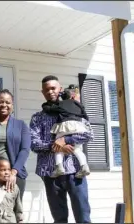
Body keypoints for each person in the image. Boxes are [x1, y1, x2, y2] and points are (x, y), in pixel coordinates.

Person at [29, 75, 94, 223]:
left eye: (53, 88)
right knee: (59, 219)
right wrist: (56, 145)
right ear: (43, 92)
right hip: (51, 172)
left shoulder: (73, 109)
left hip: (76, 171)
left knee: (83, 216)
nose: (50, 91)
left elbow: (89, 134)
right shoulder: (37, 118)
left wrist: (66, 139)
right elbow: (34, 143)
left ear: (60, 89)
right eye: (47, 89)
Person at [42, 84, 92, 178]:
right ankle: (84, 166)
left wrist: (45, 105)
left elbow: (50, 109)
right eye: (78, 97)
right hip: (78, 126)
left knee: (58, 147)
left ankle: (59, 167)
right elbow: (85, 116)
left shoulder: (61, 104)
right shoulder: (79, 105)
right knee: (78, 149)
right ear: (73, 96)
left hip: (64, 126)